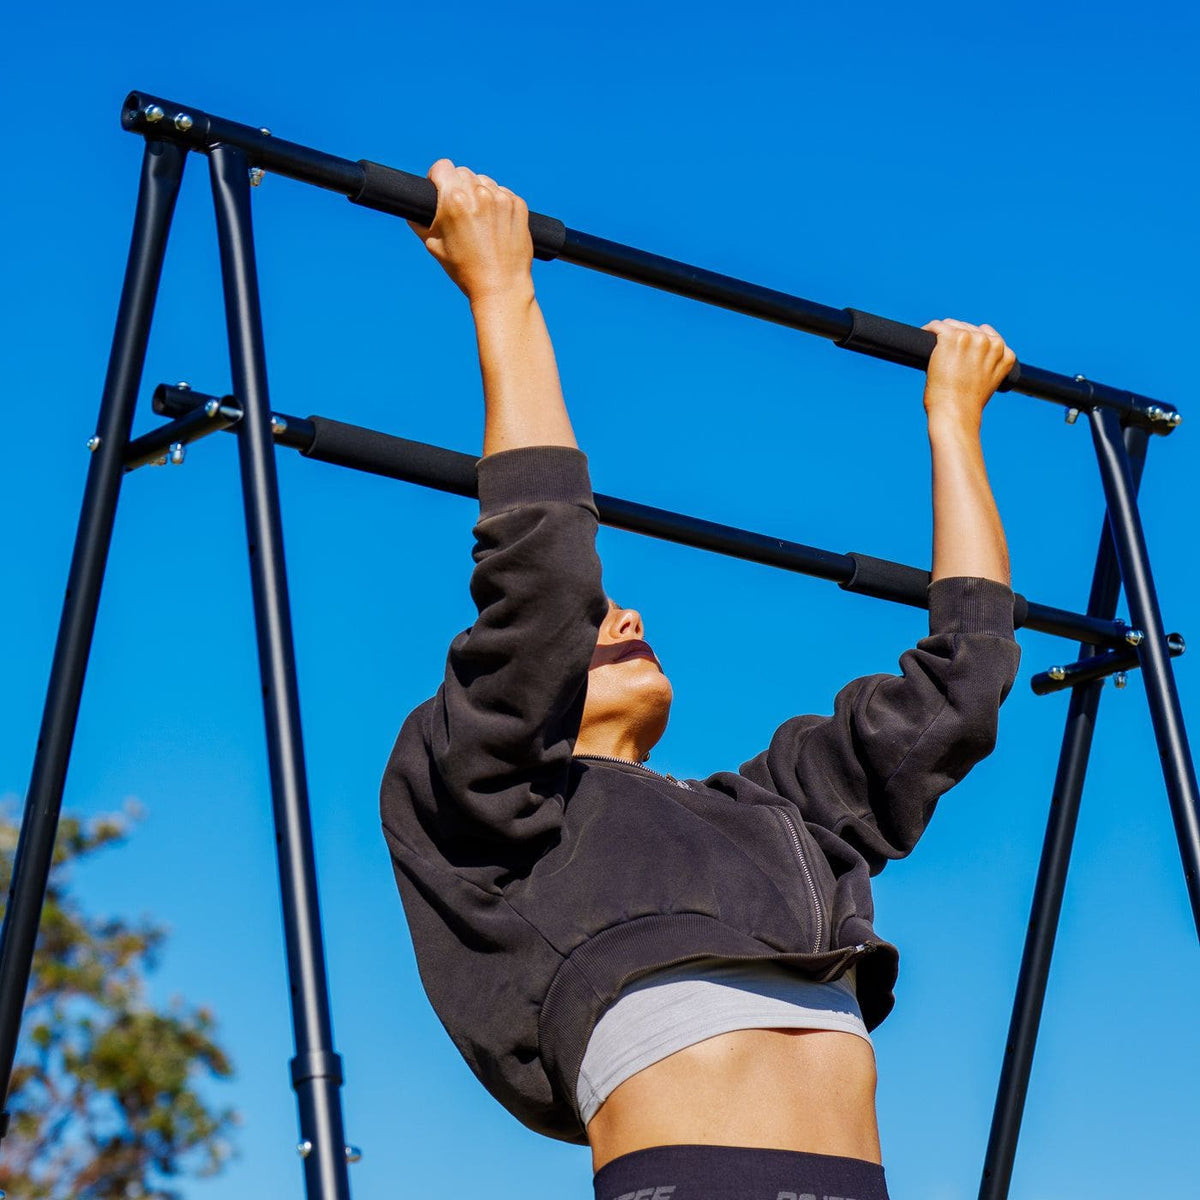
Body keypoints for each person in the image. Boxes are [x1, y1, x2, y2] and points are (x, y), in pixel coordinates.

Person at [381, 160, 1022, 1200]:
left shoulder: (773, 818)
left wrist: (954, 418)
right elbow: (544, 581)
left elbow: (967, 681)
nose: (623, 617)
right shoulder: (494, 804)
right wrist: (503, 288)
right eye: (596, 625)